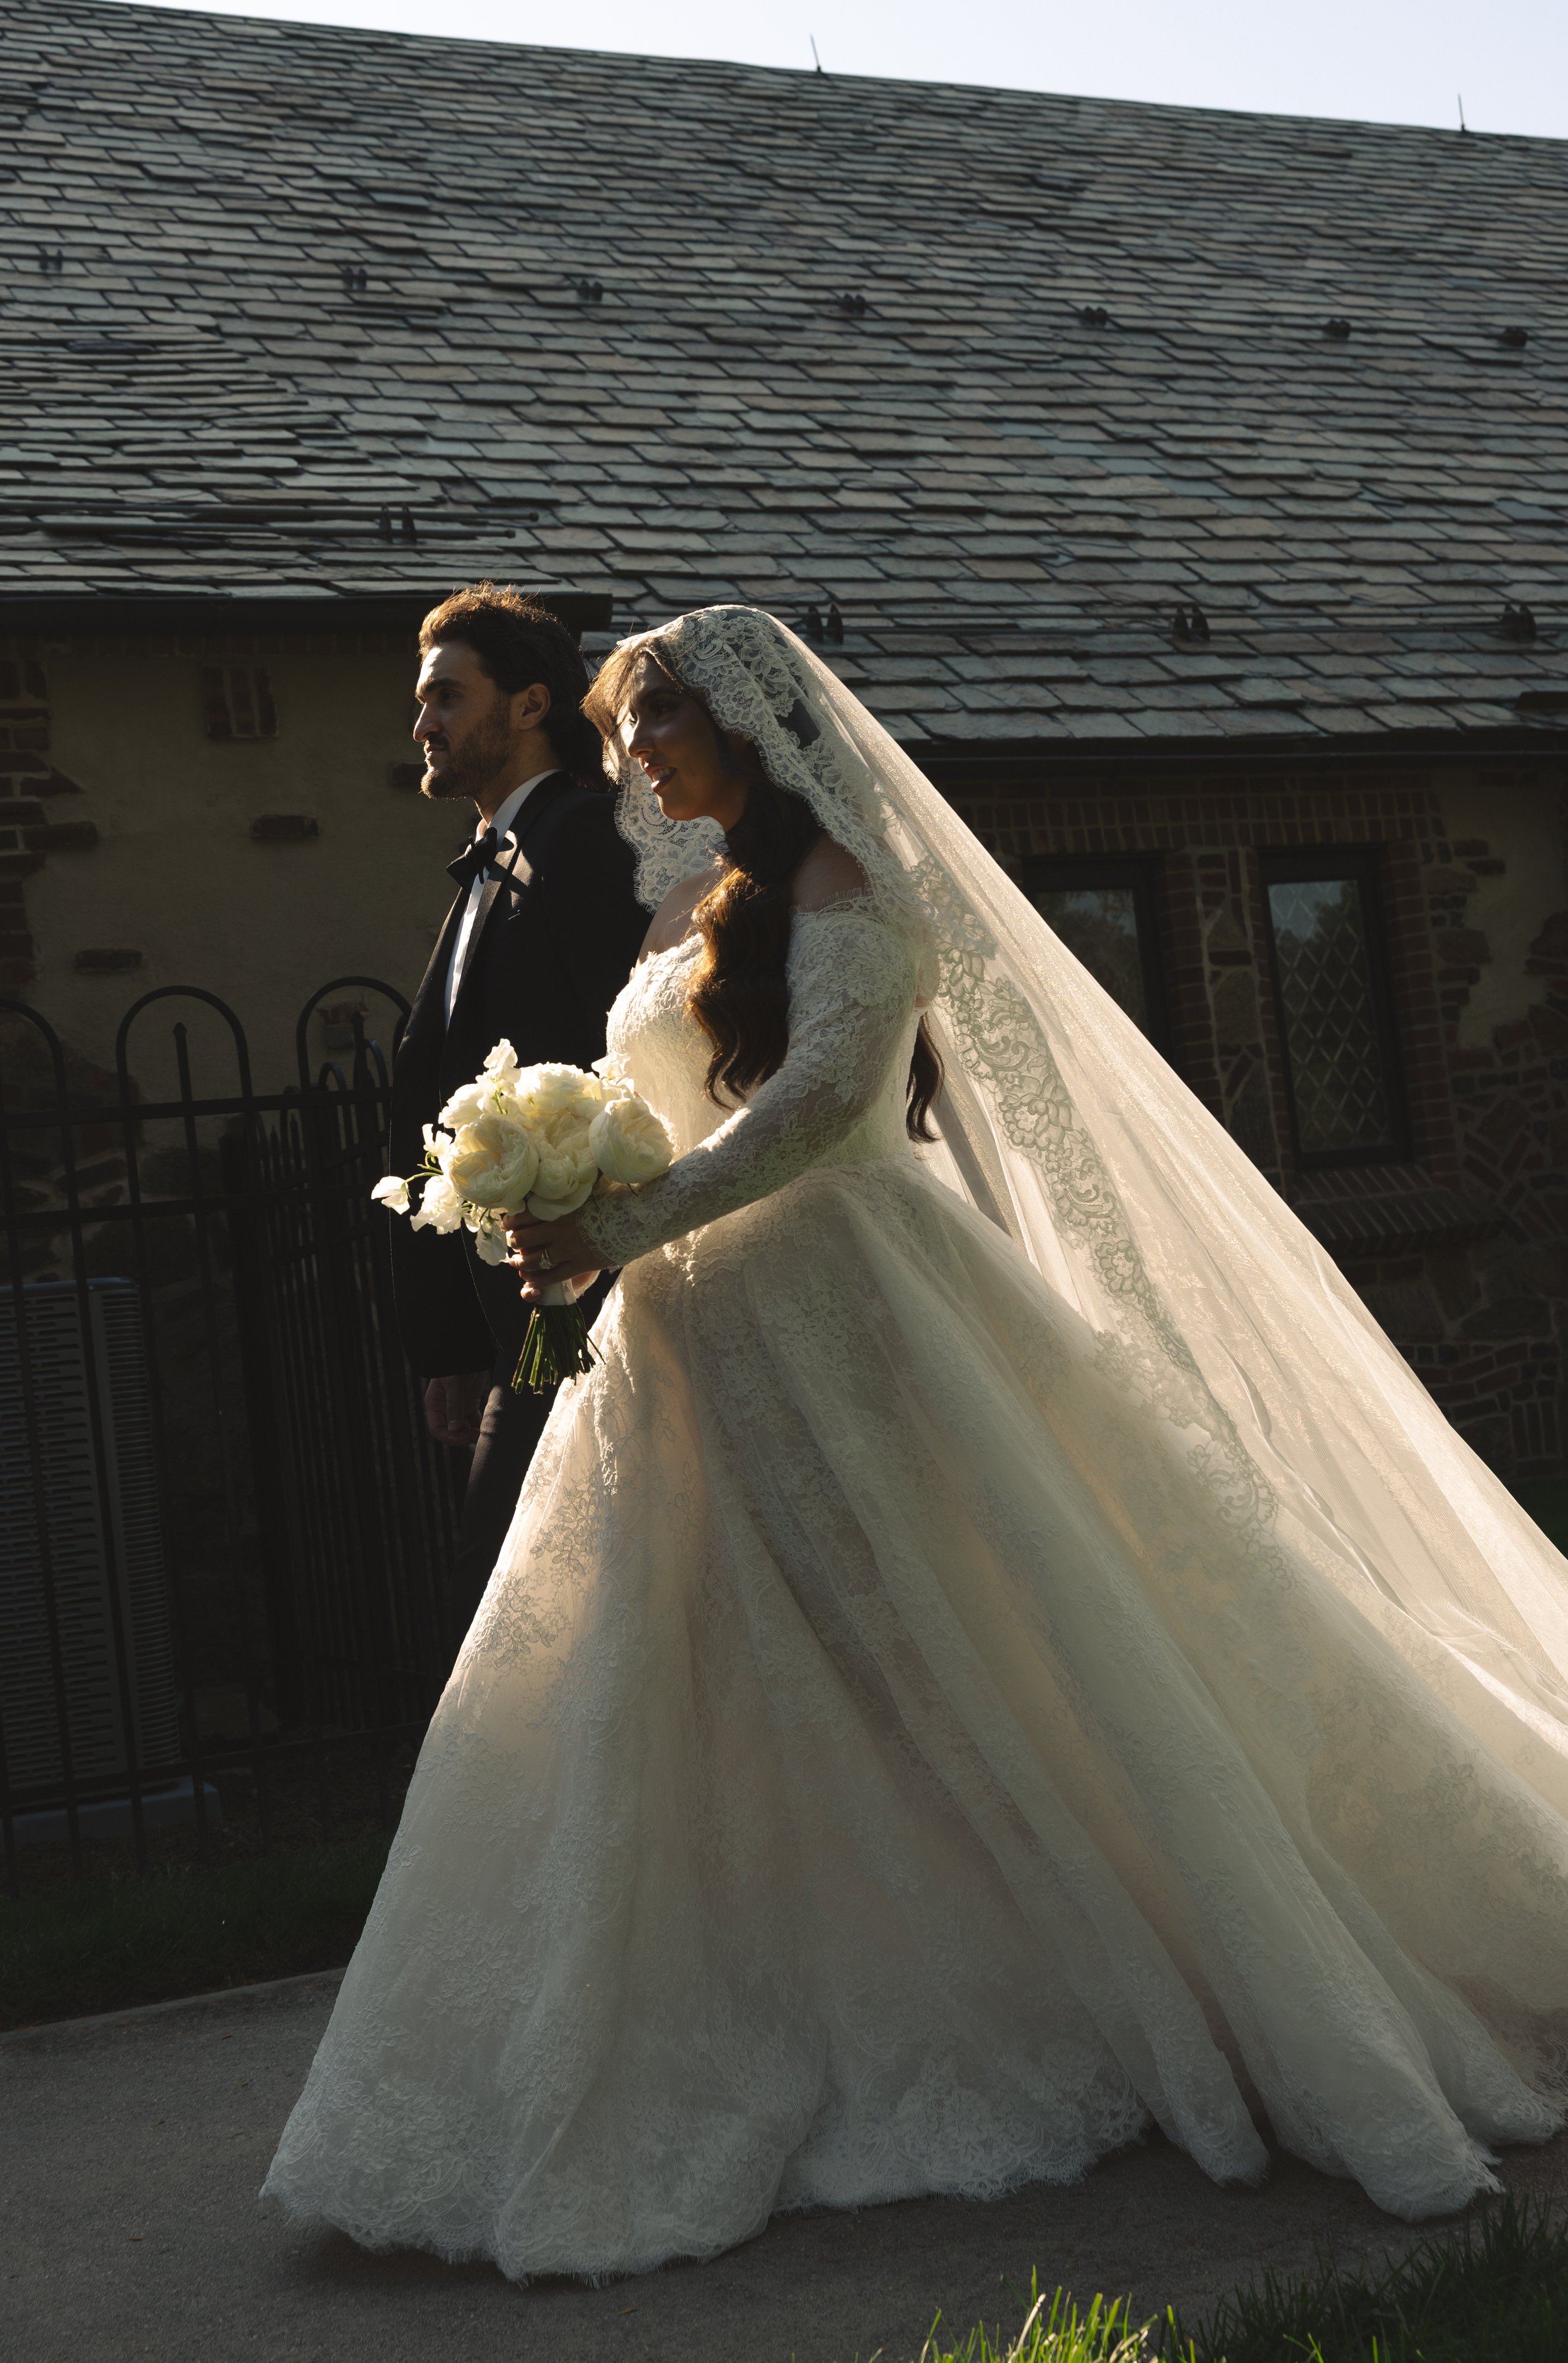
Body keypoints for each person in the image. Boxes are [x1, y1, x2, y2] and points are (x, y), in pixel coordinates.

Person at [267, 606, 1568, 2278]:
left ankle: (1156, 1968)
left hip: (850, 1315)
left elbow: (819, 1102)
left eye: (661, 719)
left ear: (751, 720)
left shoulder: (854, 894)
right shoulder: (688, 903)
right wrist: (557, 1168)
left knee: (972, 1646)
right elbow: (650, 1083)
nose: (637, 752)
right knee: (710, 1678)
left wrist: (631, 1211)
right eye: (628, 727)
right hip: (685, 1337)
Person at [388, 584, 646, 1655]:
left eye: (448, 695)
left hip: (590, 1311)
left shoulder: (586, 848)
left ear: (532, 702)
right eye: (422, 700)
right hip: (523, 1322)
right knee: (537, 1595)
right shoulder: (490, 864)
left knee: (506, 1605)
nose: (424, 724)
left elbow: (633, 1063)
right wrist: (449, 1338)